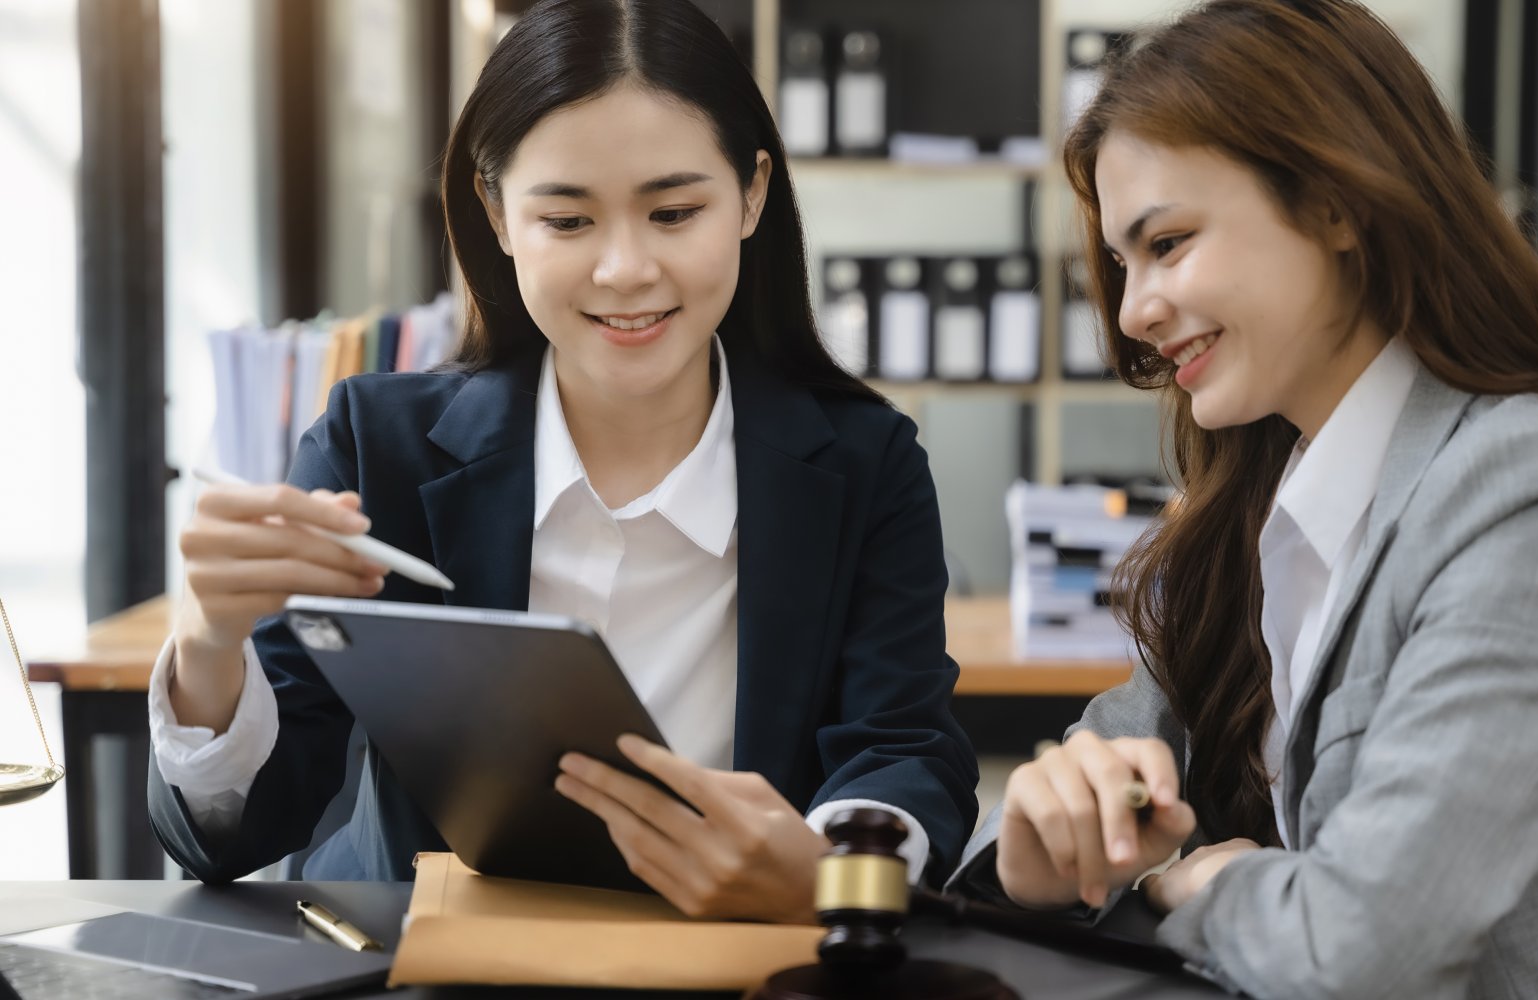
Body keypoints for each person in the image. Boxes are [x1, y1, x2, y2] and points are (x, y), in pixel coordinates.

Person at [952, 1, 1538, 995]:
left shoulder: (1527, 499)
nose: (1136, 310)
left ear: (1333, 204)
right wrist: (1037, 848)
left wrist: (1196, 885)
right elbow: (1090, 782)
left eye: (1170, 242)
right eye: (1120, 262)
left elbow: (1359, 949)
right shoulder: (1257, 509)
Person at [148, 0, 977, 924]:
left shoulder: (866, 464)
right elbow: (235, 836)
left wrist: (829, 873)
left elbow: (904, 751)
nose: (625, 269)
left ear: (750, 195)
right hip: (427, 975)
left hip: (731, 963)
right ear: (499, 215)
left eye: (673, 211)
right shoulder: (373, 450)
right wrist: (210, 645)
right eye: (568, 221)